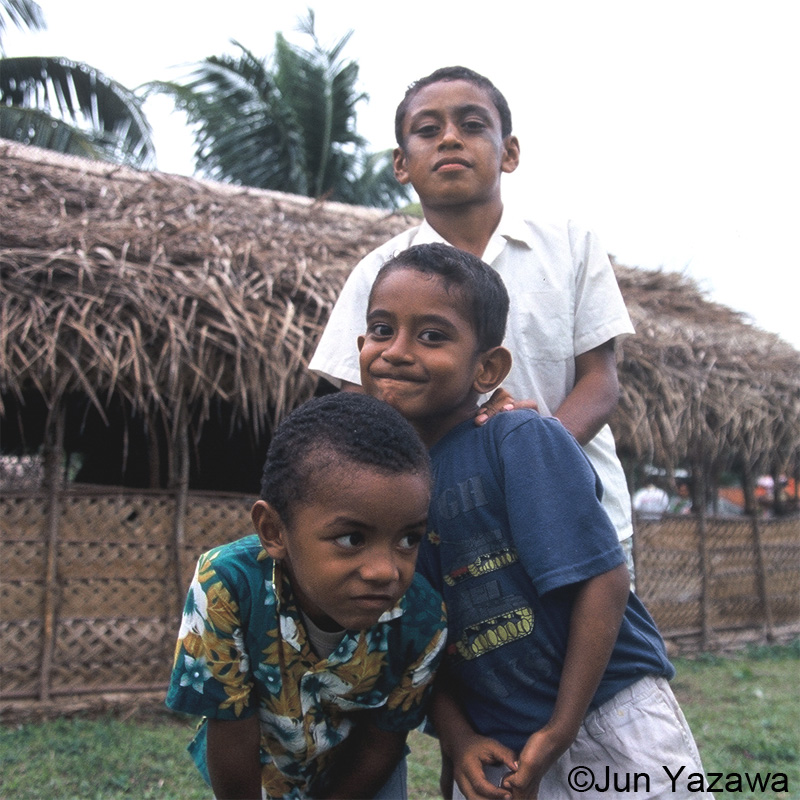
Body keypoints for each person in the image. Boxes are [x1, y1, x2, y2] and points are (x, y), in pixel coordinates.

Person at [358, 243, 709, 799]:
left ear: (488, 368)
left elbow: (604, 581)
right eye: (381, 329)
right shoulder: (384, 492)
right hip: (493, 744)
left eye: (432, 336)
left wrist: (561, 727)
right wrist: (458, 737)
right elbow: (415, 639)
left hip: (606, 714)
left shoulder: (516, 441)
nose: (396, 351)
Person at [309, 65, 637, 580]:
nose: (450, 139)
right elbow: (361, 404)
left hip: (578, 515)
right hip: (447, 526)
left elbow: (600, 380)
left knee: (600, 652)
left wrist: (533, 456)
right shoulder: (377, 273)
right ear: (401, 163)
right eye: (427, 130)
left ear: (509, 152)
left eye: (472, 124)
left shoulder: (571, 245)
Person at [166, 392, 447, 800]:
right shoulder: (227, 585)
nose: (386, 571)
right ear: (274, 532)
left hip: (360, 775)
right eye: (353, 538)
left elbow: (380, 745)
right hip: (256, 767)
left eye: (409, 538)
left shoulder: (422, 619)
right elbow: (230, 726)